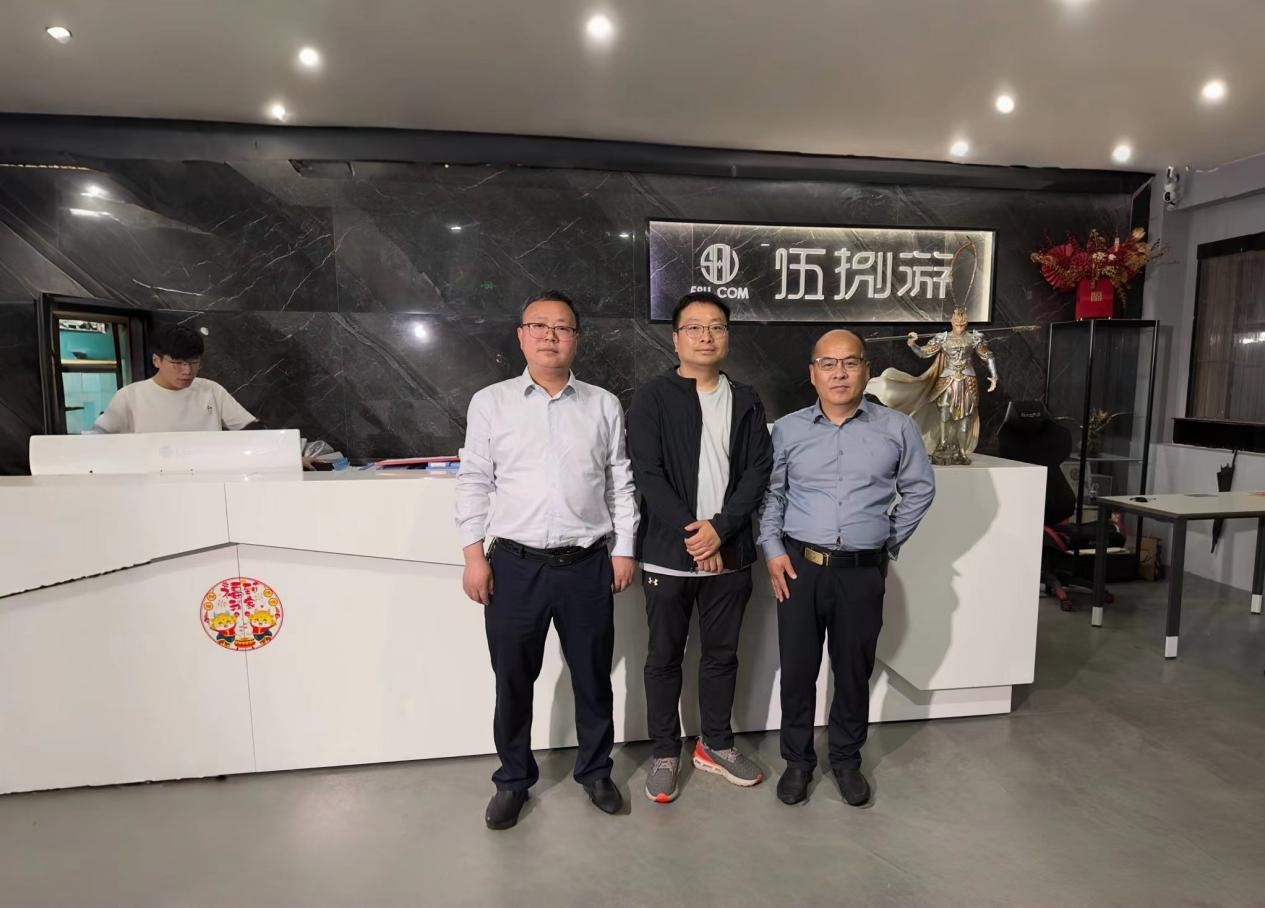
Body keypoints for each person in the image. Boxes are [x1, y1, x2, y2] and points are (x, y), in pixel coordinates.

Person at [454, 290, 639, 831]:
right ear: (521, 336)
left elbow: (620, 482)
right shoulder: (491, 403)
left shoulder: (603, 404)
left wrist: (624, 548)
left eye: (562, 327)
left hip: (587, 564)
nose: (550, 335)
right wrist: (473, 556)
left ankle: (596, 772)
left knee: (593, 677)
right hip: (514, 566)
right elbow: (473, 481)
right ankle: (513, 779)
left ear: (576, 338)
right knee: (513, 679)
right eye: (539, 325)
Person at [758, 329, 935, 807]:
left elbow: (920, 488)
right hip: (799, 568)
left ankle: (846, 760)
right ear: (813, 373)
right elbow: (772, 495)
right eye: (828, 364)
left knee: (853, 670)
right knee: (798, 670)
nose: (839, 373)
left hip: (862, 571)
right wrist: (773, 549)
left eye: (850, 362)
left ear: (866, 370)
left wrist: (886, 541)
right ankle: (798, 762)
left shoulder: (897, 428)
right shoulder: (788, 430)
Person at [626, 291, 773, 804]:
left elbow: (758, 471)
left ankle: (716, 743)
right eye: (694, 327)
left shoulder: (746, 398)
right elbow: (648, 473)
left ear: (727, 337)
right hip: (669, 554)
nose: (705, 336)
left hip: (730, 553)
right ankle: (666, 752)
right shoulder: (652, 397)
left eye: (716, 327)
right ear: (676, 339)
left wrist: (722, 529)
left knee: (722, 655)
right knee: (663, 657)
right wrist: (696, 533)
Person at [88, 324, 259, 433]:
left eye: (194, 362)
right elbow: (99, 435)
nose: (187, 371)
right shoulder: (130, 396)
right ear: (157, 360)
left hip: (205, 472)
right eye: (177, 363)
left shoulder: (211, 390)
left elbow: (249, 426)